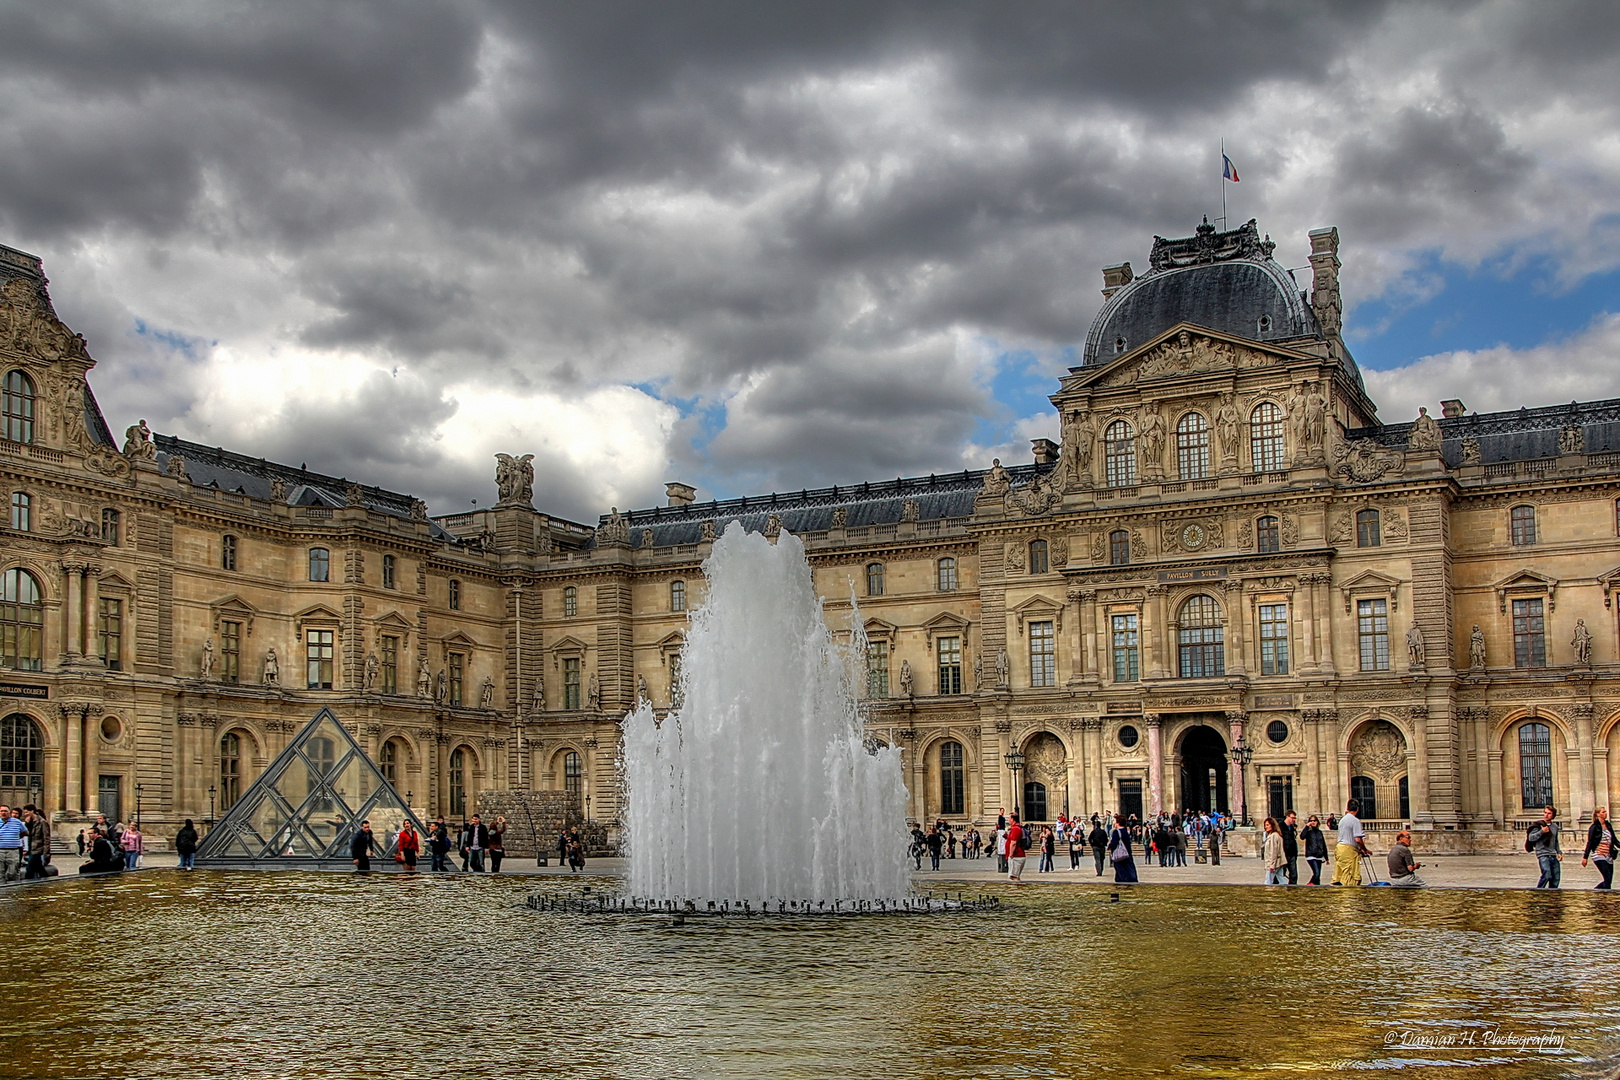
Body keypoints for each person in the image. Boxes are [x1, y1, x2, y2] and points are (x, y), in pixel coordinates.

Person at [1333, 799, 1371, 886]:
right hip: (1349, 850)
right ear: (1357, 809)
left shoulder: (1342, 820)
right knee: (1350, 876)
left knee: (1340, 874)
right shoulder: (1355, 821)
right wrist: (1364, 849)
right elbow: (1358, 839)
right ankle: (1349, 897)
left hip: (1339, 848)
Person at [1528, 805, 1563, 889]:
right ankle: (1539, 891)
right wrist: (1542, 832)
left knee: (1556, 877)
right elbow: (1531, 838)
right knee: (1547, 874)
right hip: (1543, 854)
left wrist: (1559, 852)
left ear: (1553, 815)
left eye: (1549, 813)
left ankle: (1553, 896)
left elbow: (1555, 841)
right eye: (1545, 813)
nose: (1546, 815)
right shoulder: (1538, 825)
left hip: (1552, 854)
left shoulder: (1555, 827)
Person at [1582, 806, 1616, 890]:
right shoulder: (1594, 827)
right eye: (1603, 812)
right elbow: (1590, 842)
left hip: (1608, 855)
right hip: (1599, 854)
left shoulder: (1608, 825)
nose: (1605, 813)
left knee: (1609, 880)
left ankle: (1600, 893)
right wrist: (1585, 857)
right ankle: (1600, 895)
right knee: (1607, 878)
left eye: (1605, 812)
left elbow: (1614, 839)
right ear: (1598, 814)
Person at [1108, 813, 1138, 884]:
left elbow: (1114, 843)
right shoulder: (1125, 831)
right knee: (1129, 871)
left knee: (1121, 873)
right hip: (1127, 853)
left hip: (1120, 856)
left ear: (1117, 823)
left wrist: (1109, 846)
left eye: (1115, 822)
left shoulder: (1116, 832)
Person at [22, 806, 50, 880]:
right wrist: (27, 824)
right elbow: (28, 834)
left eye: (27, 812)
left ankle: (28, 884)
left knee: (29, 869)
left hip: (38, 848)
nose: (25, 814)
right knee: (39, 868)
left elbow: (46, 837)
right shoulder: (30, 822)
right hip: (32, 848)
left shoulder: (42, 822)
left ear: (32, 811)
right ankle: (48, 880)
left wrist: (46, 851)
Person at [0, 805, 26, 882]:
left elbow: (25, 832)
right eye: (1, 811)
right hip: (0, 851)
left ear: (9, 813)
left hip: (13, 851)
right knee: (0, 873)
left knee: (13, 872)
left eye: (5, 811)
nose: (3, 813)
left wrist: (14, 839)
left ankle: (13, 890)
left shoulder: (17, 822)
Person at [1301, 815, 1328, 885]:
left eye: (1314, 821)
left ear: (1317, 822)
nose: (1313, 822)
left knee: (1318, 876)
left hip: (1319, 856)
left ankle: (1316, 889)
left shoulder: (1320, 832)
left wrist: (1326, 857)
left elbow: (1323, 845)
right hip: (1311, 855)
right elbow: (1302, 836)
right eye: (1311, 821)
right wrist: (1307, 826)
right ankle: (1310, 884)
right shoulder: (1308, 832)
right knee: (1316, 873)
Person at [1261, 818, 1286, 885]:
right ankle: (1287, 890)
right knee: (1281, 878)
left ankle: (1268, 893)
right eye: (1265, 825)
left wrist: (1272, 865)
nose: (1266, 827)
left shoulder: (1273, 836)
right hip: (1279, 861)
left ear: (1272, 825)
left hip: (1274, 862)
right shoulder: (1277, 835)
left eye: (1268, 825)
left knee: (1268, 881)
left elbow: (1273, 851)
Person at [1005, 814, 1027, 883]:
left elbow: (1013, 843)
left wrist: (1011, 854)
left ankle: (1016, 892)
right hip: (1017, 855)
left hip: (1016, 856)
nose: (1008, 820)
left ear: (1012, 819)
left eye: (1009, 818)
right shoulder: (1017, 828)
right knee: (1015, 876)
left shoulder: (1015, 829)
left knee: (1014, 877)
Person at [1280, 810, 1300, 885]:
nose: (1294, 820)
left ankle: (1293, 889)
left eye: (1295, 818)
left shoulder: (1292, 827)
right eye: (1292, 818)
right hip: (1284, 853)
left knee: (1294, 874)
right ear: (1287, 817)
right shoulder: (1280, 826)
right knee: (1281, 873)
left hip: (1292, 853)